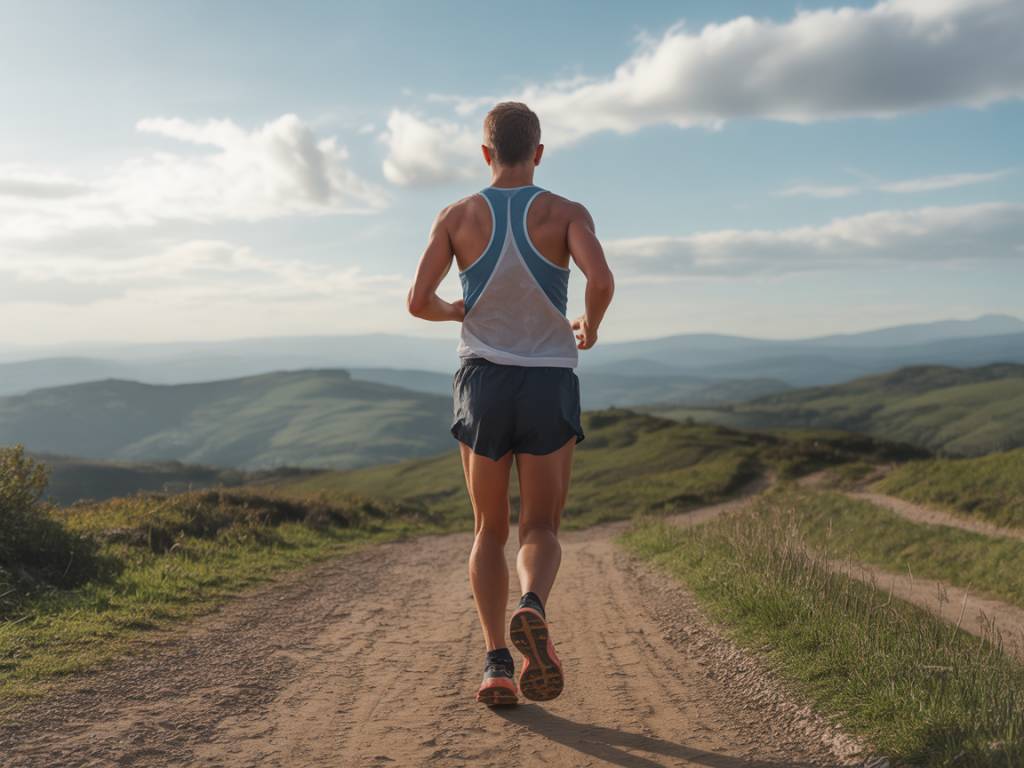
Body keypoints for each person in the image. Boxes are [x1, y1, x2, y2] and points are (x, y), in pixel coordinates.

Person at [407, 101, 615, 706]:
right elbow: (600, 281)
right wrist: (590, 326)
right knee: (541, 526)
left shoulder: (457, 215)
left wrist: (455, 310)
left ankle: (497, 663)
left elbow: (419, 299)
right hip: (548, 380)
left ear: (485, 152)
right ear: (540, 153)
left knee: (487, 529)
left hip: (482, 381)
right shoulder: (565, 212)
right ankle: (533, 605)